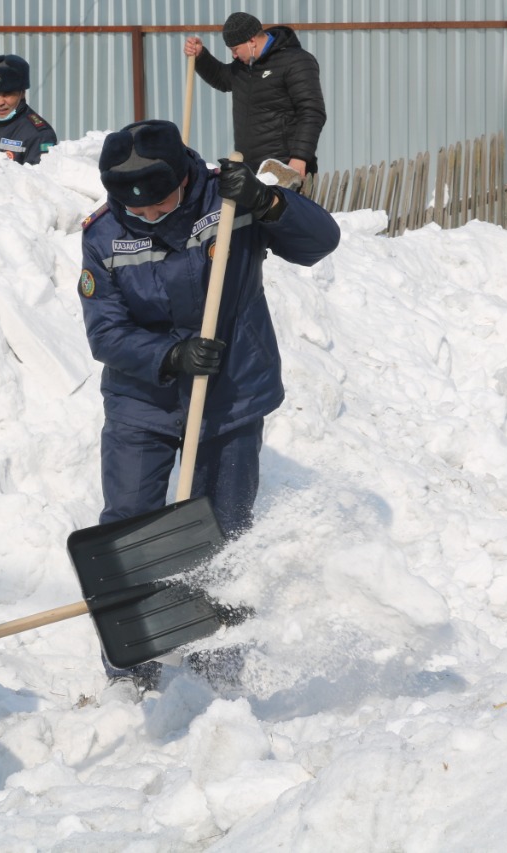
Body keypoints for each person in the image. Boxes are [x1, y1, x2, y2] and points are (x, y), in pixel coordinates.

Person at [77, 119, 340, 686]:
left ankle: (218, 661)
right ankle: (132, 662)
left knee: (223, 529)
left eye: (158, 203)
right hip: (142, 398)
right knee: (129, 526)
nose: (145, 216)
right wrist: (169, 357)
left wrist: (270, 203)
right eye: (132, 208)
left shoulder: (229, 199)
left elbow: (321, 243)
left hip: (232, 390)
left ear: (182, 176)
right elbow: (105, 333)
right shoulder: (102, 235)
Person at [184, 12, 327, 179]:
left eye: (235, 49)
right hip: (251, 167)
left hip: (285, 166)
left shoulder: (296, 62)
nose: (234, 55)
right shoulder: (245, 67)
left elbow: (312, 111)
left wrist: (299, 158)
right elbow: (222, 78)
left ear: (251, 41)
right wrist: (201, 56)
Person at [0, 54, 58, 165]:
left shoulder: (40, 135)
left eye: (7, 95)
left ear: (22, 93)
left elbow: (38, 180)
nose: (0, 102)